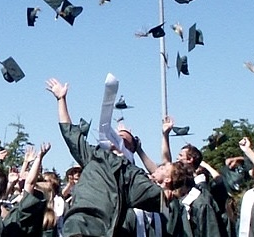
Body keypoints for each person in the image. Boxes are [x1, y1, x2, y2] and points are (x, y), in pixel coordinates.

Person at [45, 78, 165, 237]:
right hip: (77, 226)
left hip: (102, 230)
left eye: (124, 139)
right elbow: (70, 134)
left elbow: (162, 196)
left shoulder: (132, 174)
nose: (117, 138)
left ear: (129, 148)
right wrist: (61, 99)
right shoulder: (94, 155)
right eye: (116, 135)